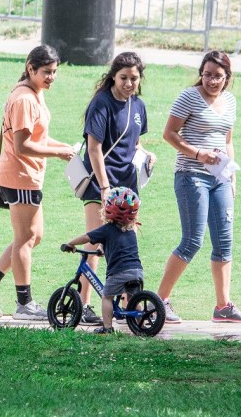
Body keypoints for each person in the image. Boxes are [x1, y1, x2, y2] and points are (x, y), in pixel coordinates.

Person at [0, 45, 75, 321]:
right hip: (21, 176)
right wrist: (57, 154)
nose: (51, 77)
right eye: (47, 72)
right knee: (26, 239)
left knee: (32, 236)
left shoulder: (33, 94)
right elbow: (22, 145)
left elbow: (37, 138)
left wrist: (63, 147)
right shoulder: (25, 99)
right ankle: (24, 304)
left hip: (26, 176)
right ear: (31, 68)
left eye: (54, 72)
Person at [156, 50, 241, 324]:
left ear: (227, 77)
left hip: (220, 178)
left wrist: (232, 178)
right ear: (201, 73)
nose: (212, 81)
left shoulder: (230, 101)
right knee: (192, 241)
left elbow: (227, 140)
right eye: (207, 75)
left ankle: (223, 307)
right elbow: (169, 134)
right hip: (191, 175)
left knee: (224, 241)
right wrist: (198, 154)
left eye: (218, 76)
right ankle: (159, 301)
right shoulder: (189, 97)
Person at [77, 51, 155, 325]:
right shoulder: (101, 104)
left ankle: (127, 304)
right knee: (95, 242)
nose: (129, 83)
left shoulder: (138, 106)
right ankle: (84, 303)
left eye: (134, 78)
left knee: (126, 245)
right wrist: (104, 187)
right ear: (113, 76)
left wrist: (146, 154)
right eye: (123, 78)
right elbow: (94, 148)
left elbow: (134, 144)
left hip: (128, 188)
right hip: (102, 184)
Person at [63, 187, 144, 334]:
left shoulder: (107, 229)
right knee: (133, 299)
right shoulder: (131, 230)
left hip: (119, 272)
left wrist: (71, 244)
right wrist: (102, 248)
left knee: (107, 297)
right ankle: (141, 325)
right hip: (137, 272)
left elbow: (87, 237)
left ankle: (107, 327)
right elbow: (118, 243)